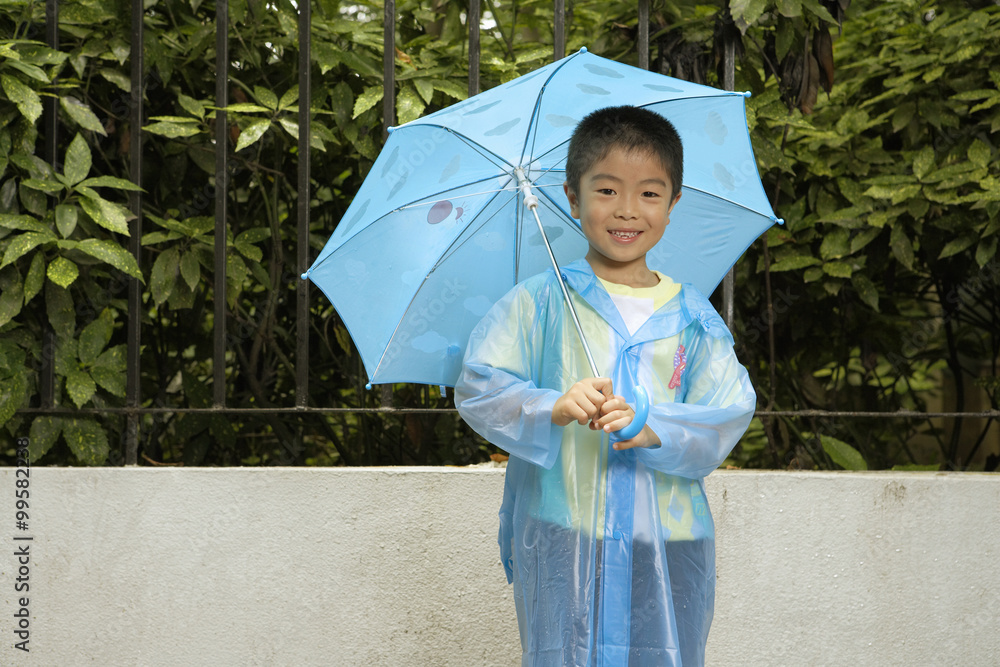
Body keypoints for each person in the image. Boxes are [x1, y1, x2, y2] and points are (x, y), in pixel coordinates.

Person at [455, 105, 756, 667]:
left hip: (665, 536)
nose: (626, 210)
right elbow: (480, 384)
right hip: (569, 526)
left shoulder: (693, 316)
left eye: (648, 193)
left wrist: (653, 426)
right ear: (572, 197)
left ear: (674, 205)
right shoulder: (542, 301)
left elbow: (729, 408)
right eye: (606, 190)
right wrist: (553, 404)